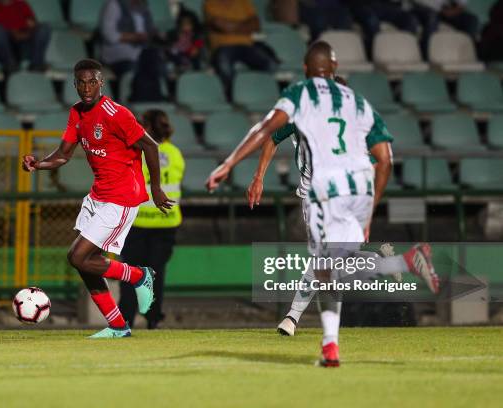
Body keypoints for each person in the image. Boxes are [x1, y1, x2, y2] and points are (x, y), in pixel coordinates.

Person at [205, 41, 439, 366]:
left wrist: (229, 164)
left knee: (325, 267)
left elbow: (266, 129)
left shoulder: (304, 98)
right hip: (358, 191)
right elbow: (385, 159)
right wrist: (369, 208)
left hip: (322, 192)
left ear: (306, 69)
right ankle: (400, 267)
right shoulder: (358, 103)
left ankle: (310, 326)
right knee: (331, 267)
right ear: (335, 68)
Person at [22, 59, 174, 338]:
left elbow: (150, 147)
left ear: (101, 82)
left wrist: (156, 189)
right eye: (81, 82)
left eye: (92, 81)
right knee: (85, 263)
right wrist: (38, 164)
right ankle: (117, 325)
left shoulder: (117, 114)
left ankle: (140, 276)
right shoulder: (77, 113)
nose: (86, 87)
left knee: (77, 256)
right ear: (74, 84)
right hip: (98, 196)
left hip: (121, 197)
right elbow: (63, 154)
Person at [119, 110, 185, 329]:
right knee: (155, 274)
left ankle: (125, 319)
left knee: (130, 273)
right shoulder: (175, 153)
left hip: (137, 223)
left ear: (147, 127)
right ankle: (153, 318)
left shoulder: (138, 151)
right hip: (166, 223)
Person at [204, 0, 276, 98]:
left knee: (270, 64)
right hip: (223, 47)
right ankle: (233, 97)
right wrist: (244, 26)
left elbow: (255, 24)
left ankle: (258, 94)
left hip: (247, 46)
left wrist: (231, 26)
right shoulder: (211, 2)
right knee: (224, 65)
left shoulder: (243, 2)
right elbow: (221, 25)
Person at [0, 0, 51, 72]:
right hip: (1, 48)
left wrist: (24, 34)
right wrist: (10, 33)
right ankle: (10, 65)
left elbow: (33, 27)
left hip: (21, 44)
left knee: (45, 27)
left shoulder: (22, 5)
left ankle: (36, 64)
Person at [99, 0, 159, 80]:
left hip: (141, 51)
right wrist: (135, 37)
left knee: (158, 62)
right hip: (118, 54)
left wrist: (154, 34)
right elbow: (109, 34)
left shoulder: (143, 7)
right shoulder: (114, 4)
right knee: (138, 69)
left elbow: (150, 29)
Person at [348, 0, 419, 58]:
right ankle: (374, 57)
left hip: (386, 5)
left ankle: (405, 55)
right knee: (372, 21)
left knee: (410, 20)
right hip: (361, 5)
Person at [412, 0, 479, 54]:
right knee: (432, 17)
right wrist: (441, 9)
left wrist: (453, 11)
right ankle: (427, 54)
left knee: (472, 20)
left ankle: (467, 53)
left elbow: (461, 4)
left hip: (448, 11)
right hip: (426, 10)